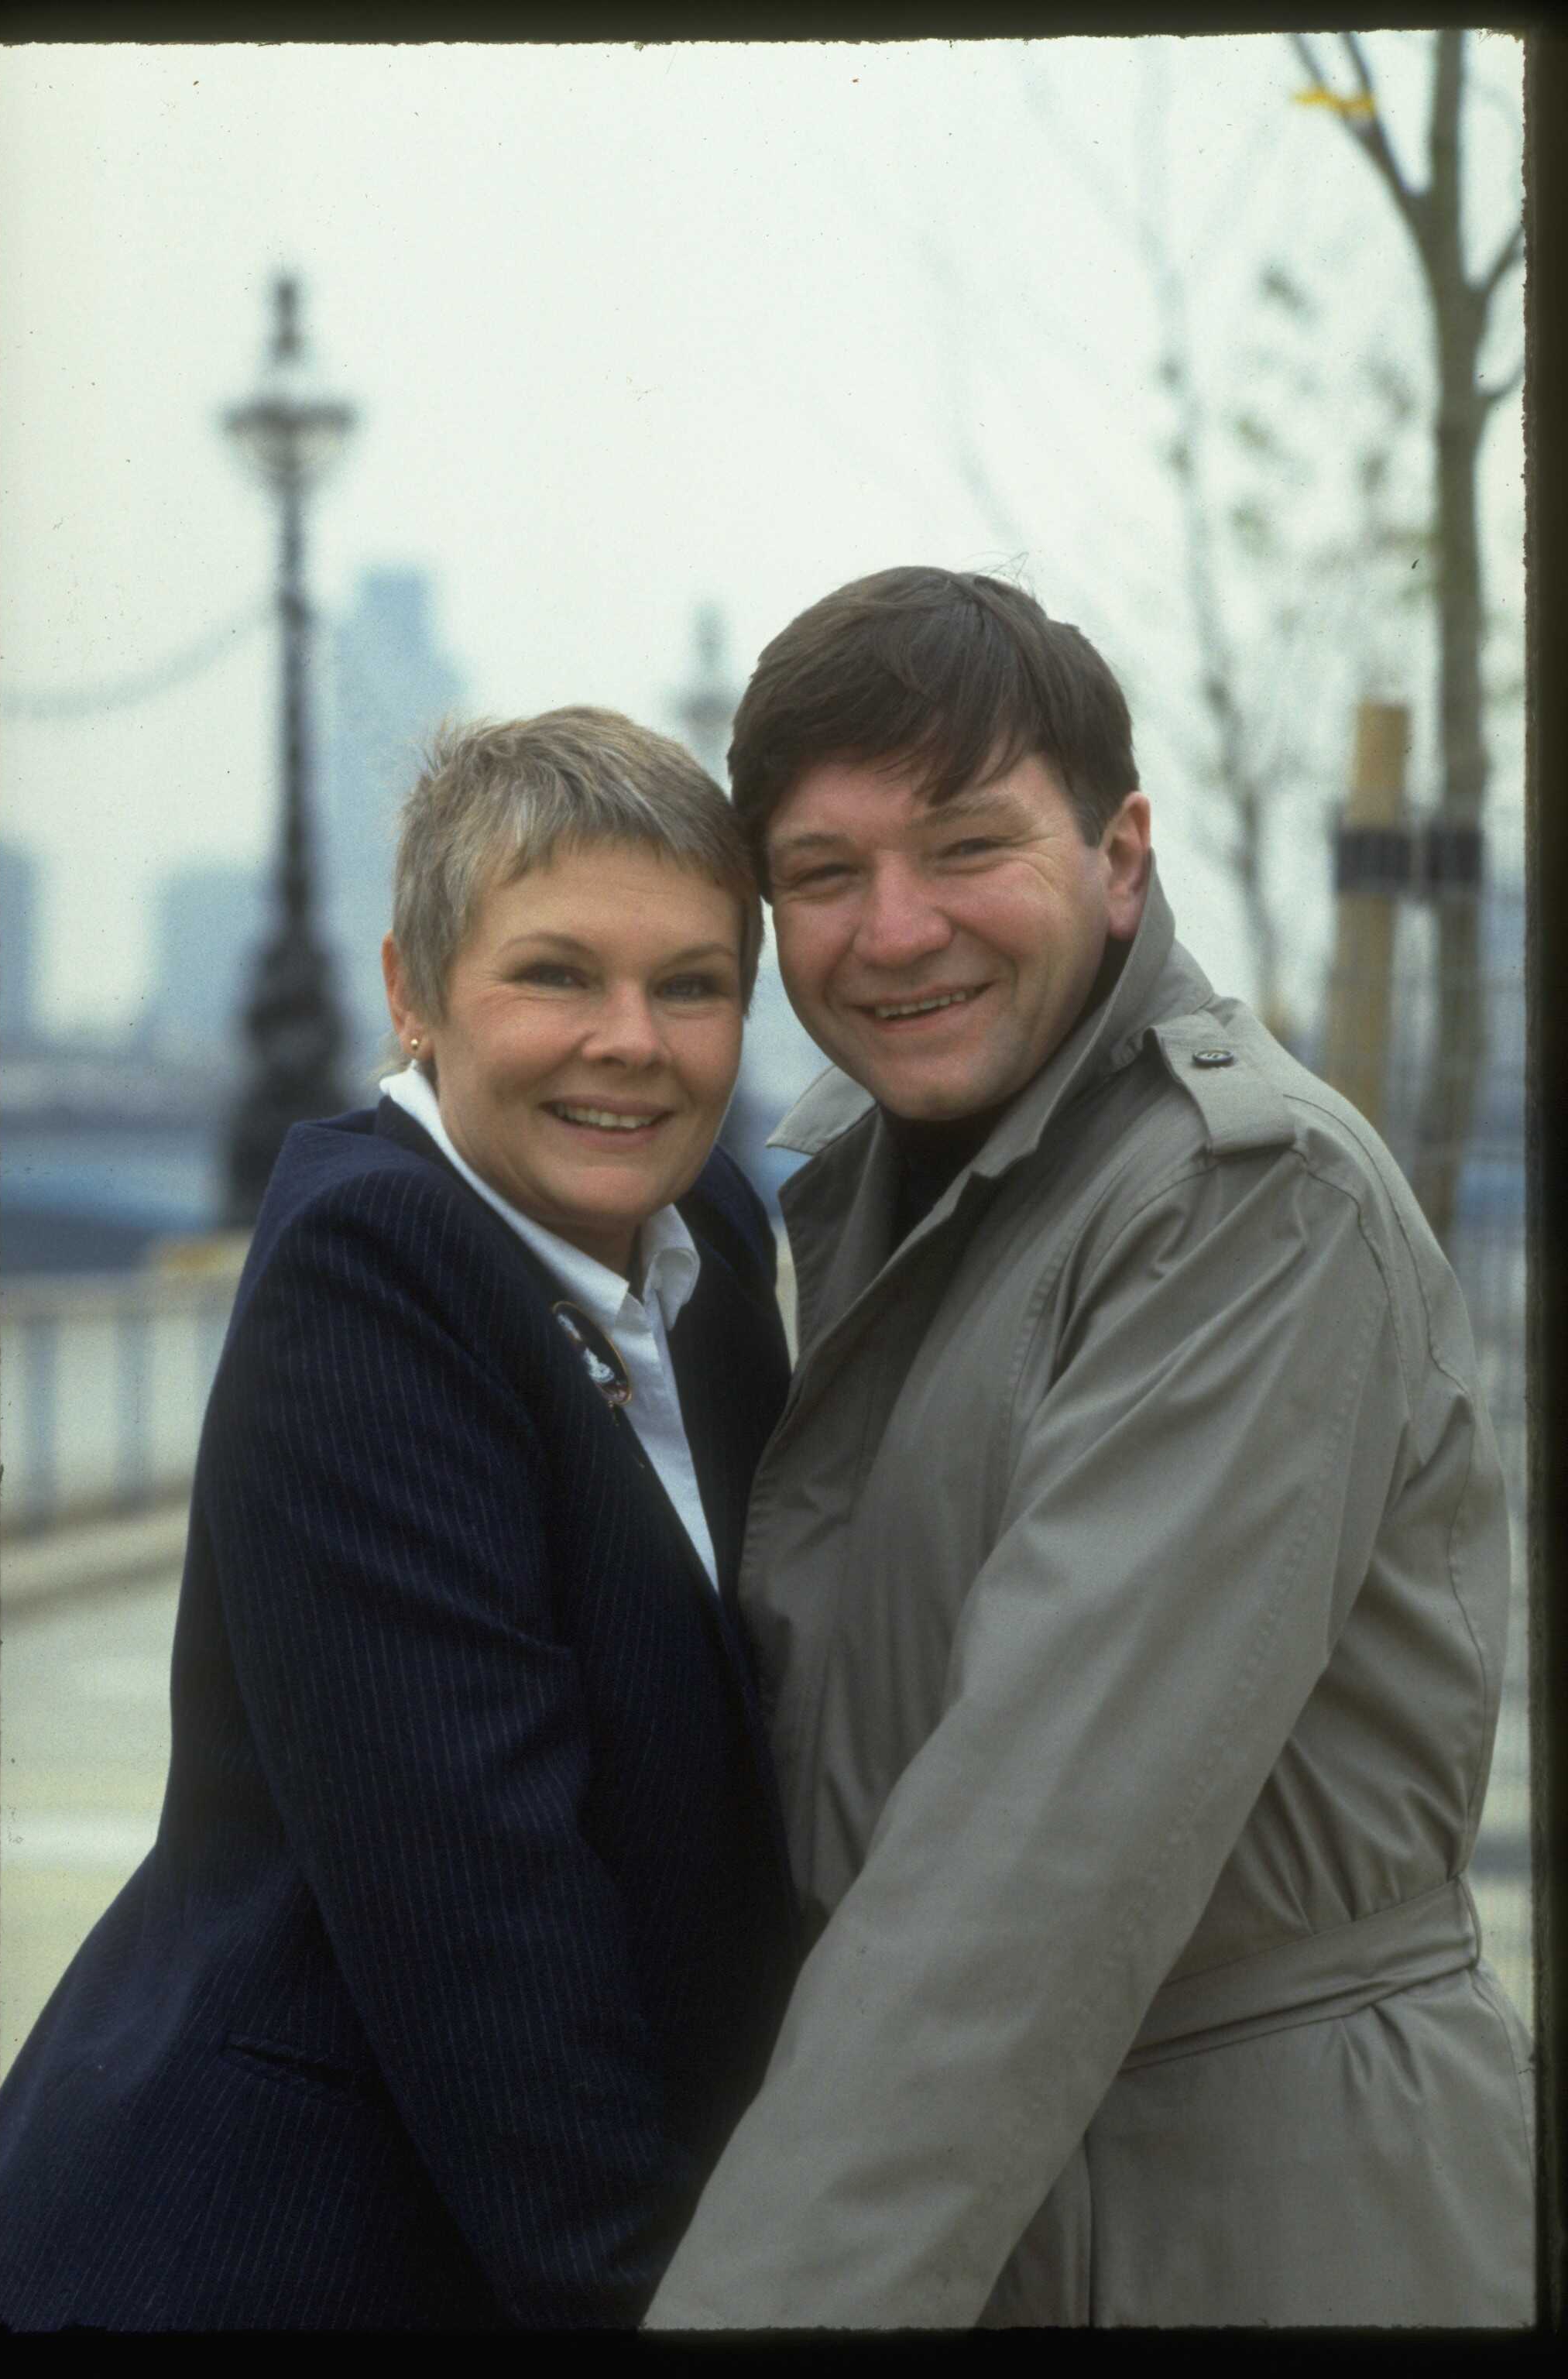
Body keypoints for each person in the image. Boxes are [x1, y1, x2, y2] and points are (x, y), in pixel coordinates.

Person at [643, 568, 1535, 2330]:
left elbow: (1023, 1879)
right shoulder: (908, 1186)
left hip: (1258, 2219)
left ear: (1120, 854)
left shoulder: (1237, 1203)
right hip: (1051, 2191)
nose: (894, 932)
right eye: (823, 876)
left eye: (965, 847)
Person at [0, 709, 799, 2331]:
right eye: (555, 974)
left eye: (692, 983)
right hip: (272, 2250)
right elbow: (480, 1913)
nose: (631, 1039)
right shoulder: (373, 1275)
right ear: (411, 996)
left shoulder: (693, 1228)